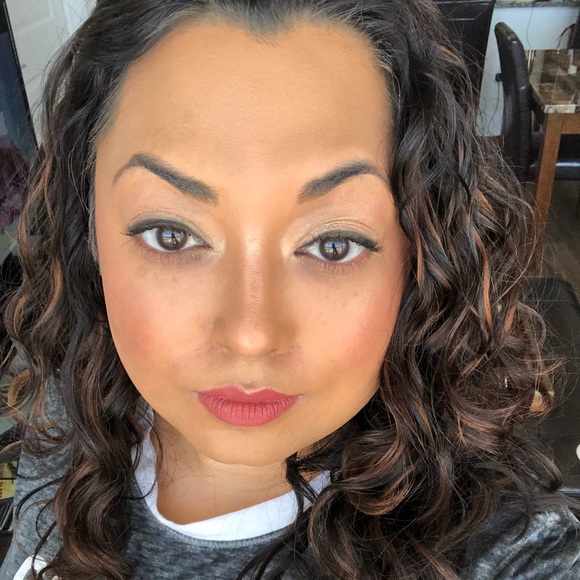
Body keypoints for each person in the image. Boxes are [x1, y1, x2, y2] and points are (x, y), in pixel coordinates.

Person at [0, 0, 578, 578]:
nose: (250, 336)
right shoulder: (73, 394)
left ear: (420, 252)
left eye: (333, 244)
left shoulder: (505, 547)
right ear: (88, 229)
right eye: (171, 234)